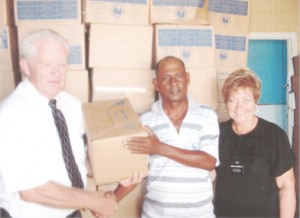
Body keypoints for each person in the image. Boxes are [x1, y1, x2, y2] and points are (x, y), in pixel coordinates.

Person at [0, 29, 144, 218]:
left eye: (62, 65)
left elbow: (77, 160)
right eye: (47, 65)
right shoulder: (11, 114)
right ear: (25, 66)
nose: (56, 72)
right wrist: (94, 201)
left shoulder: (71, 104)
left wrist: (121, 169)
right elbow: (31, 189)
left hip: (72, 212)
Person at [123, 56, 219, 217]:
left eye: (178, 76)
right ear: (156, 84)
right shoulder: (145, 121)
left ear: (187, 78)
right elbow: (135, 171)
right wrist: (111, 198)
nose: (173, 83)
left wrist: (160, 148)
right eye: (166, 77)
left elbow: (208, 161)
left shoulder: (207, 115)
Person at [214, 69, 296, 217]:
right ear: (225, 104)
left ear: (256, 101)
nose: (239, 107)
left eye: (246, 100)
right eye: (233, 100)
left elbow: (286, 186)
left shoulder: (274, 135)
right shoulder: (217, 133)